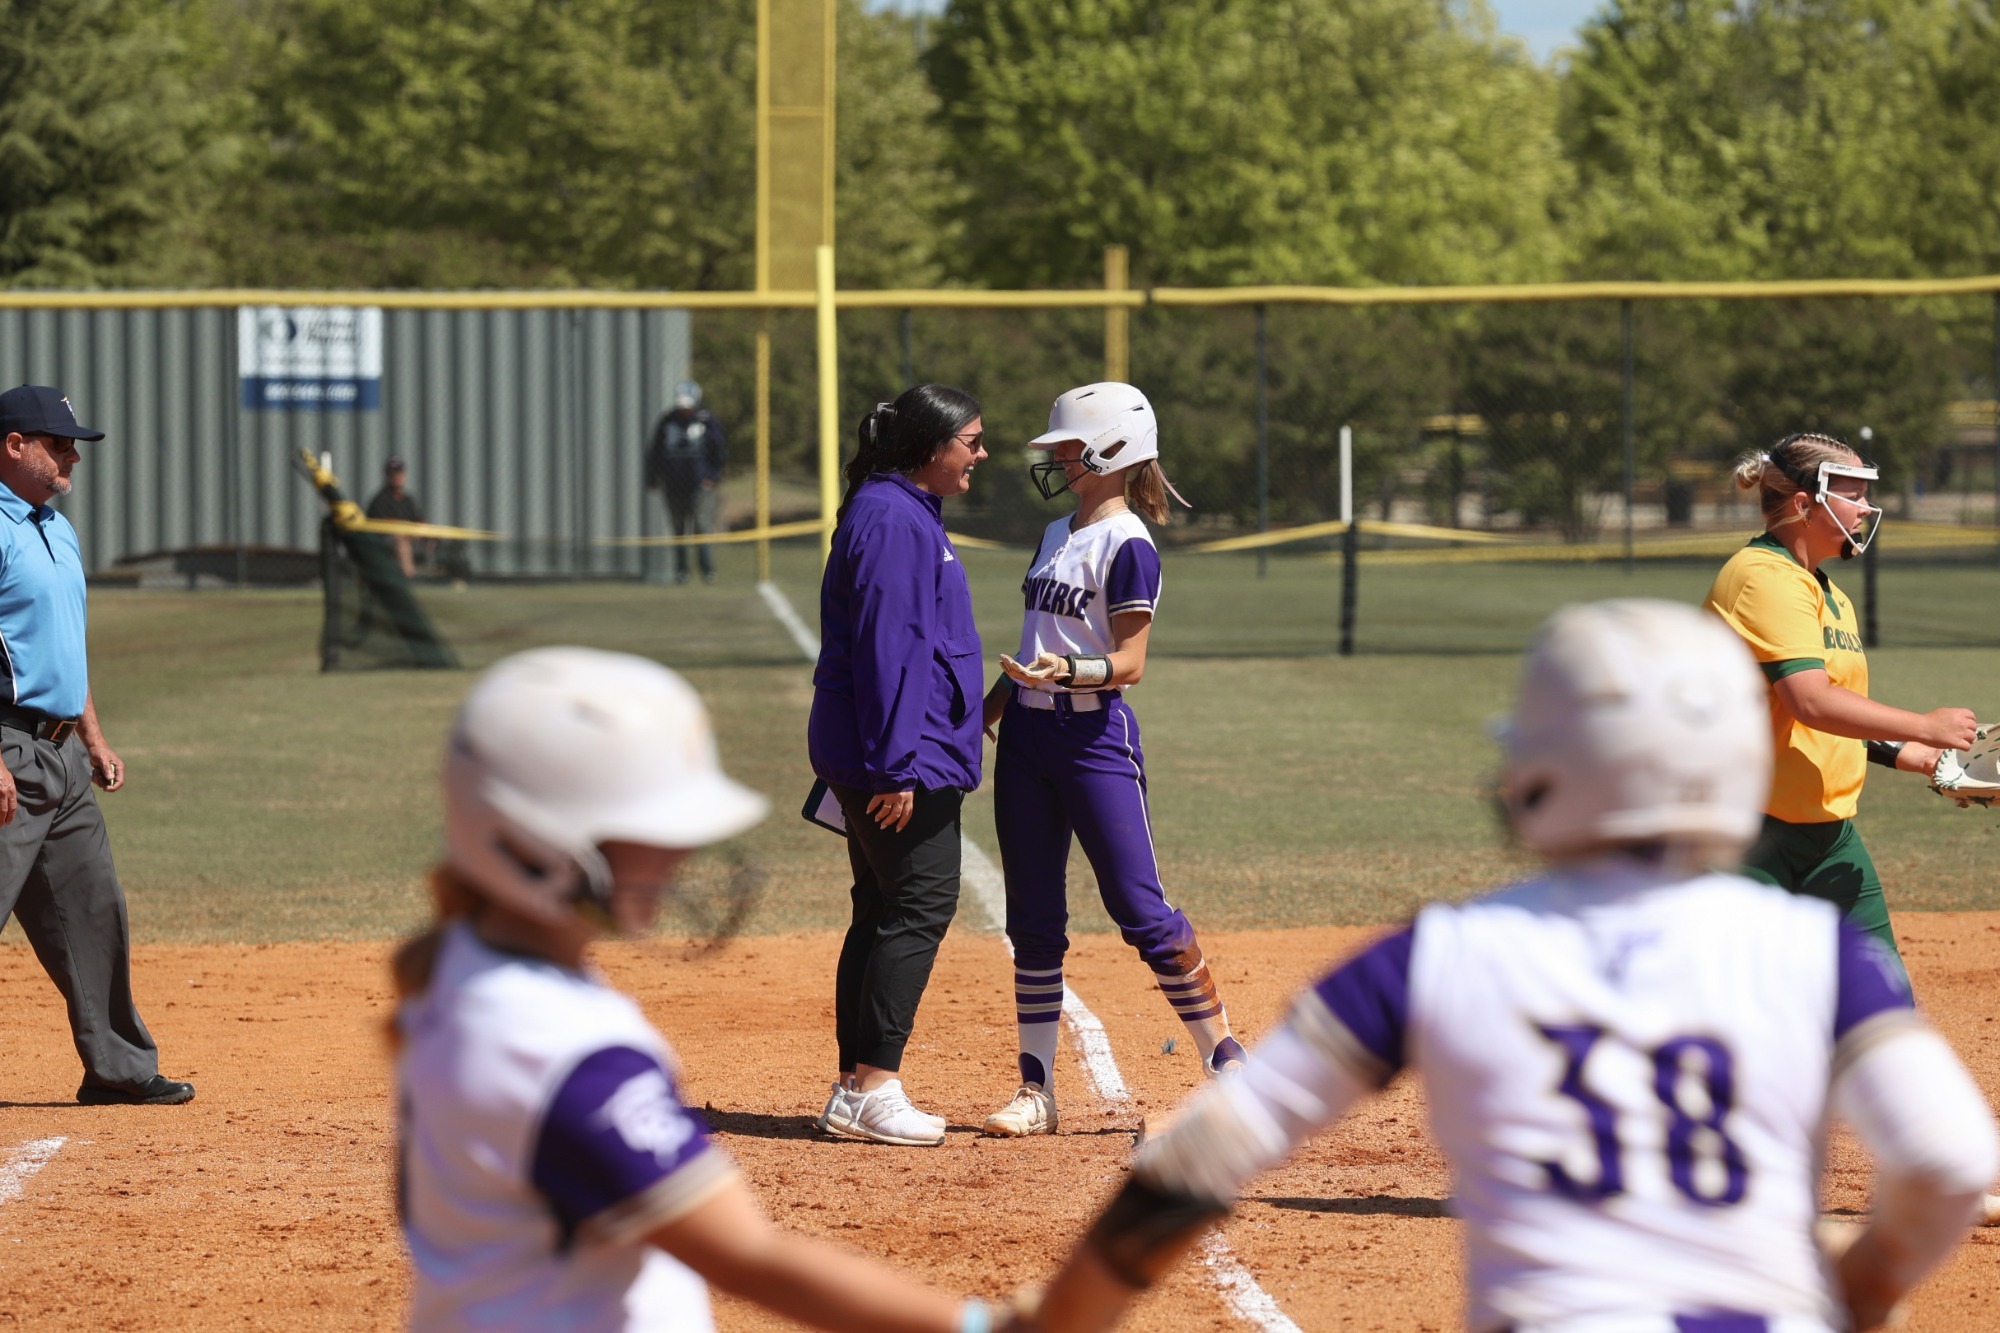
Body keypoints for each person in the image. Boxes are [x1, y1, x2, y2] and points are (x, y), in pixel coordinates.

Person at [1022, 599, 1999, 1333]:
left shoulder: (1444, 951)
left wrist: (1060, 1317)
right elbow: (1955, 1160)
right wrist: (1864, 1282)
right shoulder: (1813, 949)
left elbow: (1202, 1152)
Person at [393, 646, 1022, 1332]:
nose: (680, 855)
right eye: (649, 828)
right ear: (536, 843)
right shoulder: (563, 1049)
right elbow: (750, 1258)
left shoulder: (457, 972)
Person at [978, 382, 1242, 1141]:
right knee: (1033, 917)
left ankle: (1226, 1058)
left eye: (1068, 447)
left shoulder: (1129, 544)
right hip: (1026, 742)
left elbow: (1130, 663)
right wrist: (986, 715)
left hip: (1093, 740)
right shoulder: (1054, 532)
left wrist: (1068, 673)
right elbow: (1033, 646)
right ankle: (1035, 1088)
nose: (1058, 459)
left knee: (1140, 909)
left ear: (1110, 451)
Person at [1701, 434, 1978, 969]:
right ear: (1804, 504)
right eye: (1853, 496)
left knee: (1880, 997)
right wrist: (1925, 726)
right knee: (1743, 1000)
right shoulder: (1764, 578)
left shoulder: (1829, 596)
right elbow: (1811, 701)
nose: (1866, 508)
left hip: (1826, 834)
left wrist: (1917, 755)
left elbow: (1829, 714)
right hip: (1744, 833)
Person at [0, 384, 193, 1105]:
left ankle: (118, 1067)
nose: (72, 457)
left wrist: (94, 736)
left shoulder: (56, 528)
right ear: (13, 444)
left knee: (92, 908)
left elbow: (65, 645)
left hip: (63, 758)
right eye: (58, 444)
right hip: (7, 749)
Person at [806, 384, 987, 1148]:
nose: (981, 454)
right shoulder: (892, 516)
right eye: (970, 441)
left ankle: (856, 1086)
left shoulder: (902, 508)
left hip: (901, 746)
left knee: (883, 905)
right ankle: (874, 1086)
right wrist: (894, 766)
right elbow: (890, 649)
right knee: (917, 903)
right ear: (929, 446)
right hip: (899, 754)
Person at [642, 381, 728, 584]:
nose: (685, 410)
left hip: (700, 485)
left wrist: (713, 477)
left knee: (701, 525)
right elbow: (655, 451)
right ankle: (681, 571)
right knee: (678, 528)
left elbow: (719, 450)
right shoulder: (668, 420)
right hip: (673, 484)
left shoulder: (707, 421)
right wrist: (653, 478)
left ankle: (707, 570)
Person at [365, 456, 427, 578]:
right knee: (401, 543)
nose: (397, 477)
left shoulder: (408, 500)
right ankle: (408, 579)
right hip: (386, 542)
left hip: (411, 539)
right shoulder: (380, 500)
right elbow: (383, 526)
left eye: (399, 473)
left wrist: (422, 532)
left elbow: (419, 520)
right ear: (387, 476)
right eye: (393, 474)